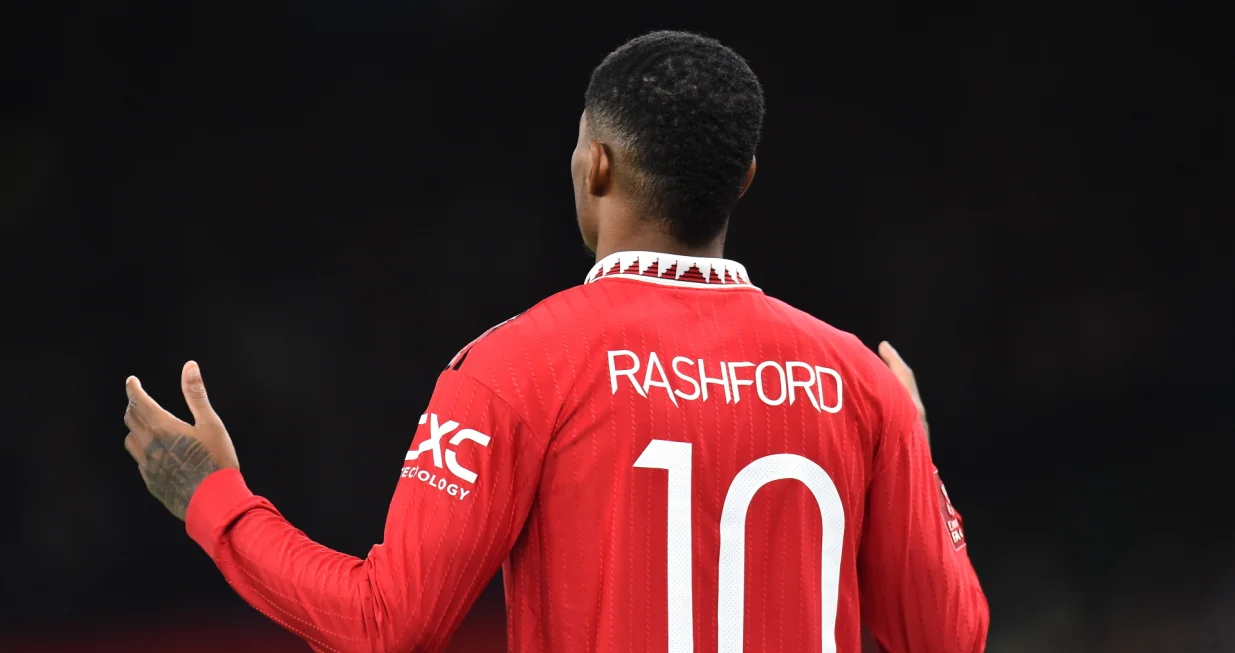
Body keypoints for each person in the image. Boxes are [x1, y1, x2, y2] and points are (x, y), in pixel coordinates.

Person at [122, 30, 988, 653]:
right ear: (743, 181)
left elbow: (384, 623)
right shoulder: (858, 384)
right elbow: (951, 639)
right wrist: (915, 445)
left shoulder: (515, 367)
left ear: (596, 166)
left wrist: (211, 496)